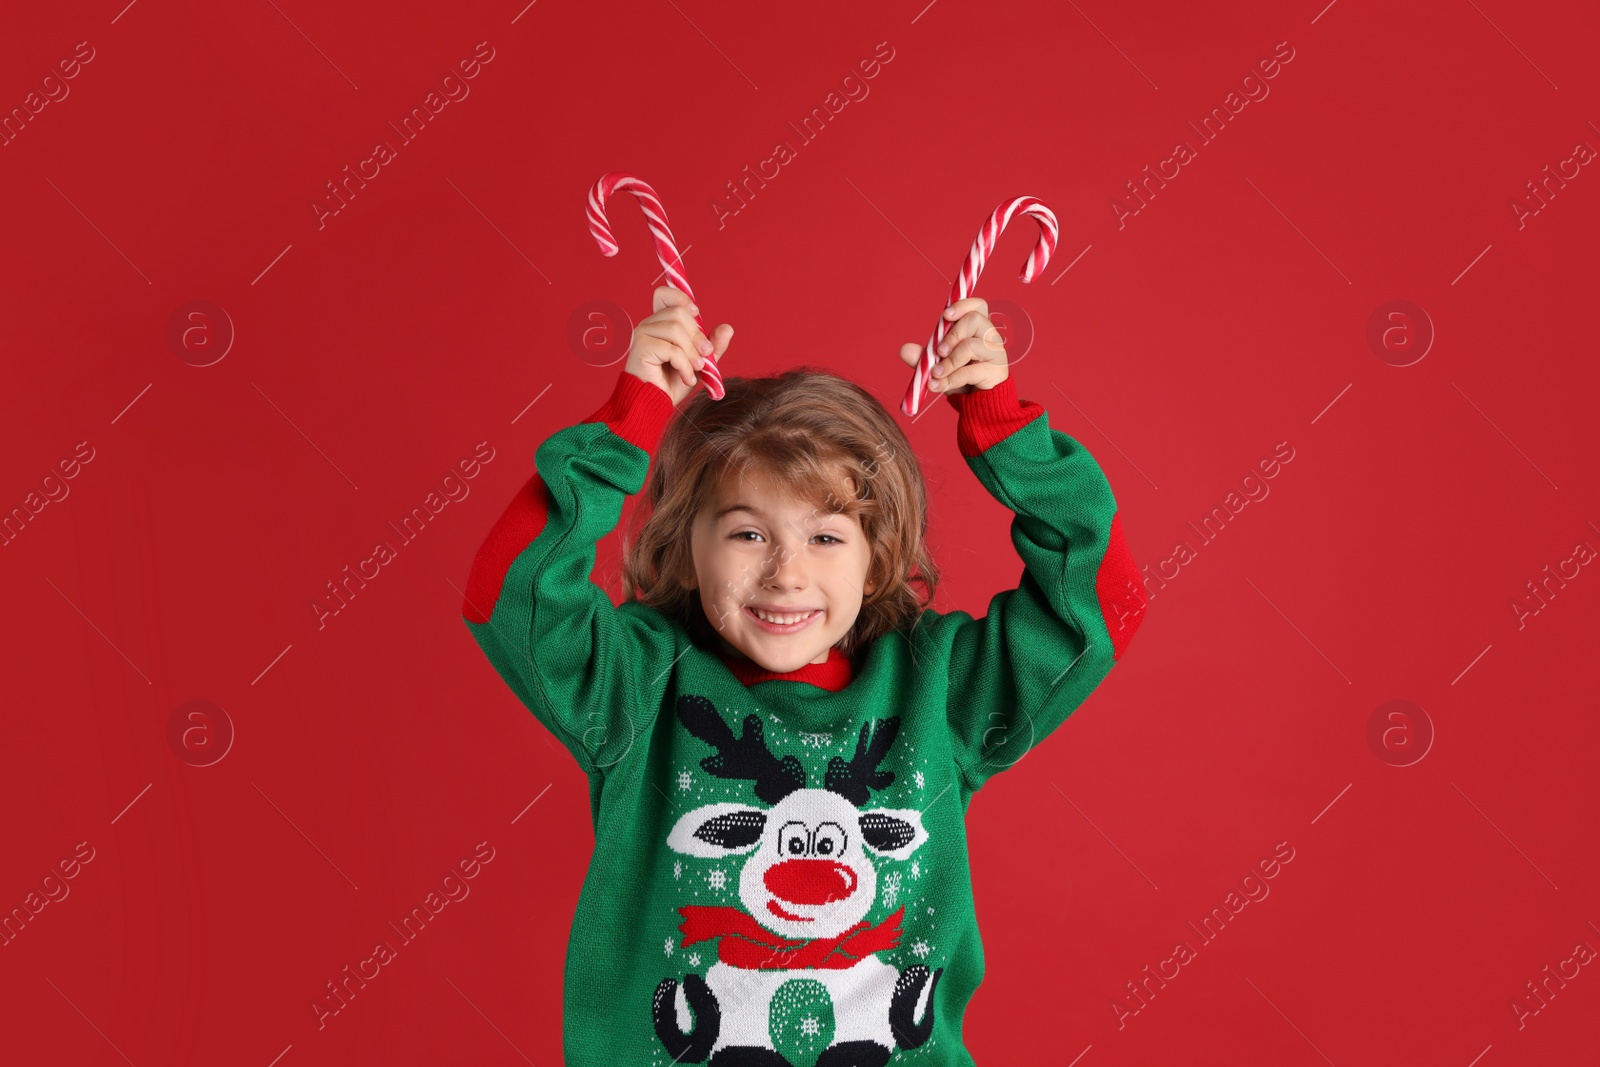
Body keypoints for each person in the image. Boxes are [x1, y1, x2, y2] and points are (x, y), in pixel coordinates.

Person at [460, 284, 1148, 1065]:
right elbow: (511, 592)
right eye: (748, 531)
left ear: (877, 551)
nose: (786, 574)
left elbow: (1100, 602)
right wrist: (631, 417)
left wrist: (1003, 431)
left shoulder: (941, 689)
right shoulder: (635, 685)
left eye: (826, 536)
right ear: (687, 542)